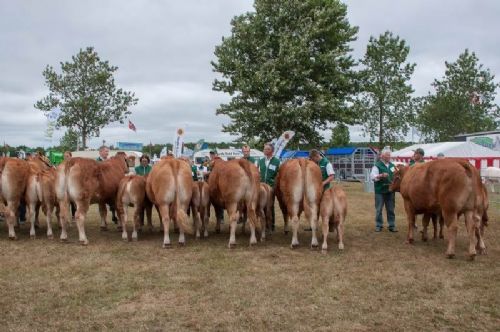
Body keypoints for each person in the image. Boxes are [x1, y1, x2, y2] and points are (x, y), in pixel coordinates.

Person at [370, 148, 397, 232]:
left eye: (389, 155)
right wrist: (381, 175)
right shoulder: (377, 165)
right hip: (380, 191)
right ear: (382, 156)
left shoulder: (392, 166)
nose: (389, 157)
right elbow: (372, 177)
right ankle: (379, 225)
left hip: (390, 191)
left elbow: (396, 174)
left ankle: (391, 225)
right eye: (387, 155)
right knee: (379, 209)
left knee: (391, 209)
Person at [258, 143, 280, 231]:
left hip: (271, 187)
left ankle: (271, 225)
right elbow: (258, 173)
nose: (265, 150)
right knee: (261, 206)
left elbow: (278, 175)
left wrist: (275, 186)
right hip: (261, 187)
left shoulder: (277, 161)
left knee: (270, 206)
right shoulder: (260, 160)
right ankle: (264, 225)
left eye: (267, 149)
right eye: (264, 149)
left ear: (272, 151)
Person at [96, 145, 117, 223]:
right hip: (101, 186)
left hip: (111, 186)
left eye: (108, 151)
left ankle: (114, 215)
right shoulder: (96, 162)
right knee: (101, 204)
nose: (107, 153)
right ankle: (103, 221)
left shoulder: (110, 161)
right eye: (106, 151)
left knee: (114, 203)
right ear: (100, 152)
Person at [64, 151, 76, 220]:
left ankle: (74, 215)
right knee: (66, 201)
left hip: (73, 185)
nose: (65, 158)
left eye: (67, 156)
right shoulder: (63, 164)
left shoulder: (74, 164)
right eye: (64, 156)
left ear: (71, 156)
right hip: (65, 186)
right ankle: (67, 216)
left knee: (74, 202)